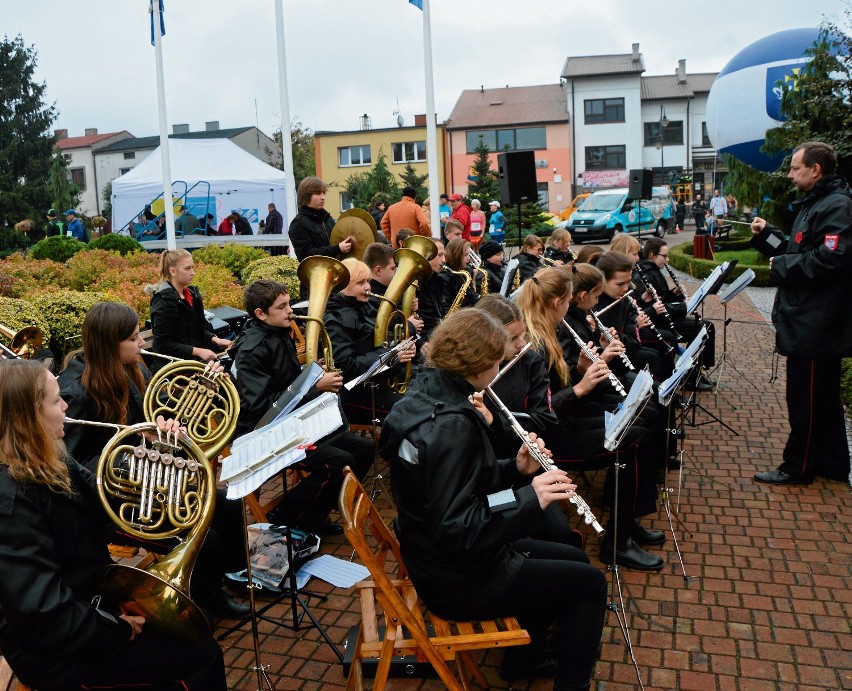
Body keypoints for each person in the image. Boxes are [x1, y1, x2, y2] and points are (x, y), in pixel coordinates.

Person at [379, 309, 607, 689]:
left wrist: (515, 470)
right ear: (480, 364)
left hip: (440, 555)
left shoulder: (427, 392)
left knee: (574, 557)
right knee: (590, 584)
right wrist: (529, 498)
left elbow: (456, 487)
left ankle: (524, 657)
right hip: (459, 579)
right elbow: (458, 527)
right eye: (499, 361)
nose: (501, 367)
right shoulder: (452, 425)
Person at [0, 359, 227, 690]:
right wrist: (118, 628)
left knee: (194, 636)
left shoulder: (50, 455)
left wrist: (158, 450)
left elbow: (106, 501)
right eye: (55, 400)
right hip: (56, 652)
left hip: (89, 605)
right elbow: (43, 616)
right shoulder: (11, 505)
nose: (66, 405)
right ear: (26, 417)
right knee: (200, 656)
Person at [58, 302, 248, 619]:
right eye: (134, 338)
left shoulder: (131, 368)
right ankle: (206, 602)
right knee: (205, 536)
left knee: (227, 504)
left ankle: (224, 578)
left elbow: (158, 414)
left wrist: (204, 386)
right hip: (115, 501)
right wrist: (136, 450)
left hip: (146, 476)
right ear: (109, 343)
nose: (143, 343)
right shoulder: (75, 391)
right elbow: (70, 464)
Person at [516, 267, 665, 571]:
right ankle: (617, 542)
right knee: (635, 438)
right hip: (550, 438)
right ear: (557, 302)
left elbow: (559, 386)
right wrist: (582, 386)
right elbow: (540, 411)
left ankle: (628, 519)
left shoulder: (551, 331)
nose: (571, 306)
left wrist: (582, 370)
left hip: (565, 423)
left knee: (640, 426)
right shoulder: (534, 344)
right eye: (568, 301)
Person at [230, 280, 373, 534]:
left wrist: (312, 373)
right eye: (282, 307)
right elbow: (261, 407)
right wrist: (314, 388)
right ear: (260, 314)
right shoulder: (253, 348)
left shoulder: (276, 330)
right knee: (338, 462)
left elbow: (286, 382)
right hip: (262, 434)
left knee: (364, 449)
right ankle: (286, 517)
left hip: (290, 421)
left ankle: (314, 512)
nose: (290, 311)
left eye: (288, 304)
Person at [750, 141, 852, 485]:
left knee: (806, 399)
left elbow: (830, 259)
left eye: (795, 168)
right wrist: (769, 238)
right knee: (823, 399)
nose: (790, 174)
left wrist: (781, 264)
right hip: (808, 319)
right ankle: (834, 463)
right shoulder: (817, 203)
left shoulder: (836, 205)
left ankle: (798, 466)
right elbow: (798, 249)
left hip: (815, 324)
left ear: (815, 169)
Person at [324, 258, 417, 424]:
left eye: (368, 281)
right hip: (353, 392)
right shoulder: (334, 318)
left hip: (375, 382)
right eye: (360, 283)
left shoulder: (364, 306)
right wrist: (392, 355)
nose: (367, 287)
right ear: (342, 286)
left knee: (425, 387)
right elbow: (346, 368)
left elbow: (380, 339)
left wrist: (403, 347)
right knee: (410, 410)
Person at [149, 249, 232, 370]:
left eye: (192, 268)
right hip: (174, 369)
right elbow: (163, 345)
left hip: (194, 363)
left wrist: (215, 339)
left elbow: (196, 331)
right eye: (187, 269)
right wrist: (197, 351)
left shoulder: (192, 295)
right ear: (173, 271)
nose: (193, 273)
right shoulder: (163, 301)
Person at [289, 176, 353, 262]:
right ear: (306, 195)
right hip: (316, 273)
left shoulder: (327, 218)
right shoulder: (298, 224)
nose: (323, 197)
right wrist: (337, 249)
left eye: (323, 193)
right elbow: (305, 255)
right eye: (318, 193)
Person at [414, 239, 446, 340]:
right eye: (440, 255)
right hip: (422, 339)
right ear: (427, 256)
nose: (444, 260)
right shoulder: (415, 283)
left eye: (443, 255)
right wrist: (421, 343)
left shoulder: (438, 279)